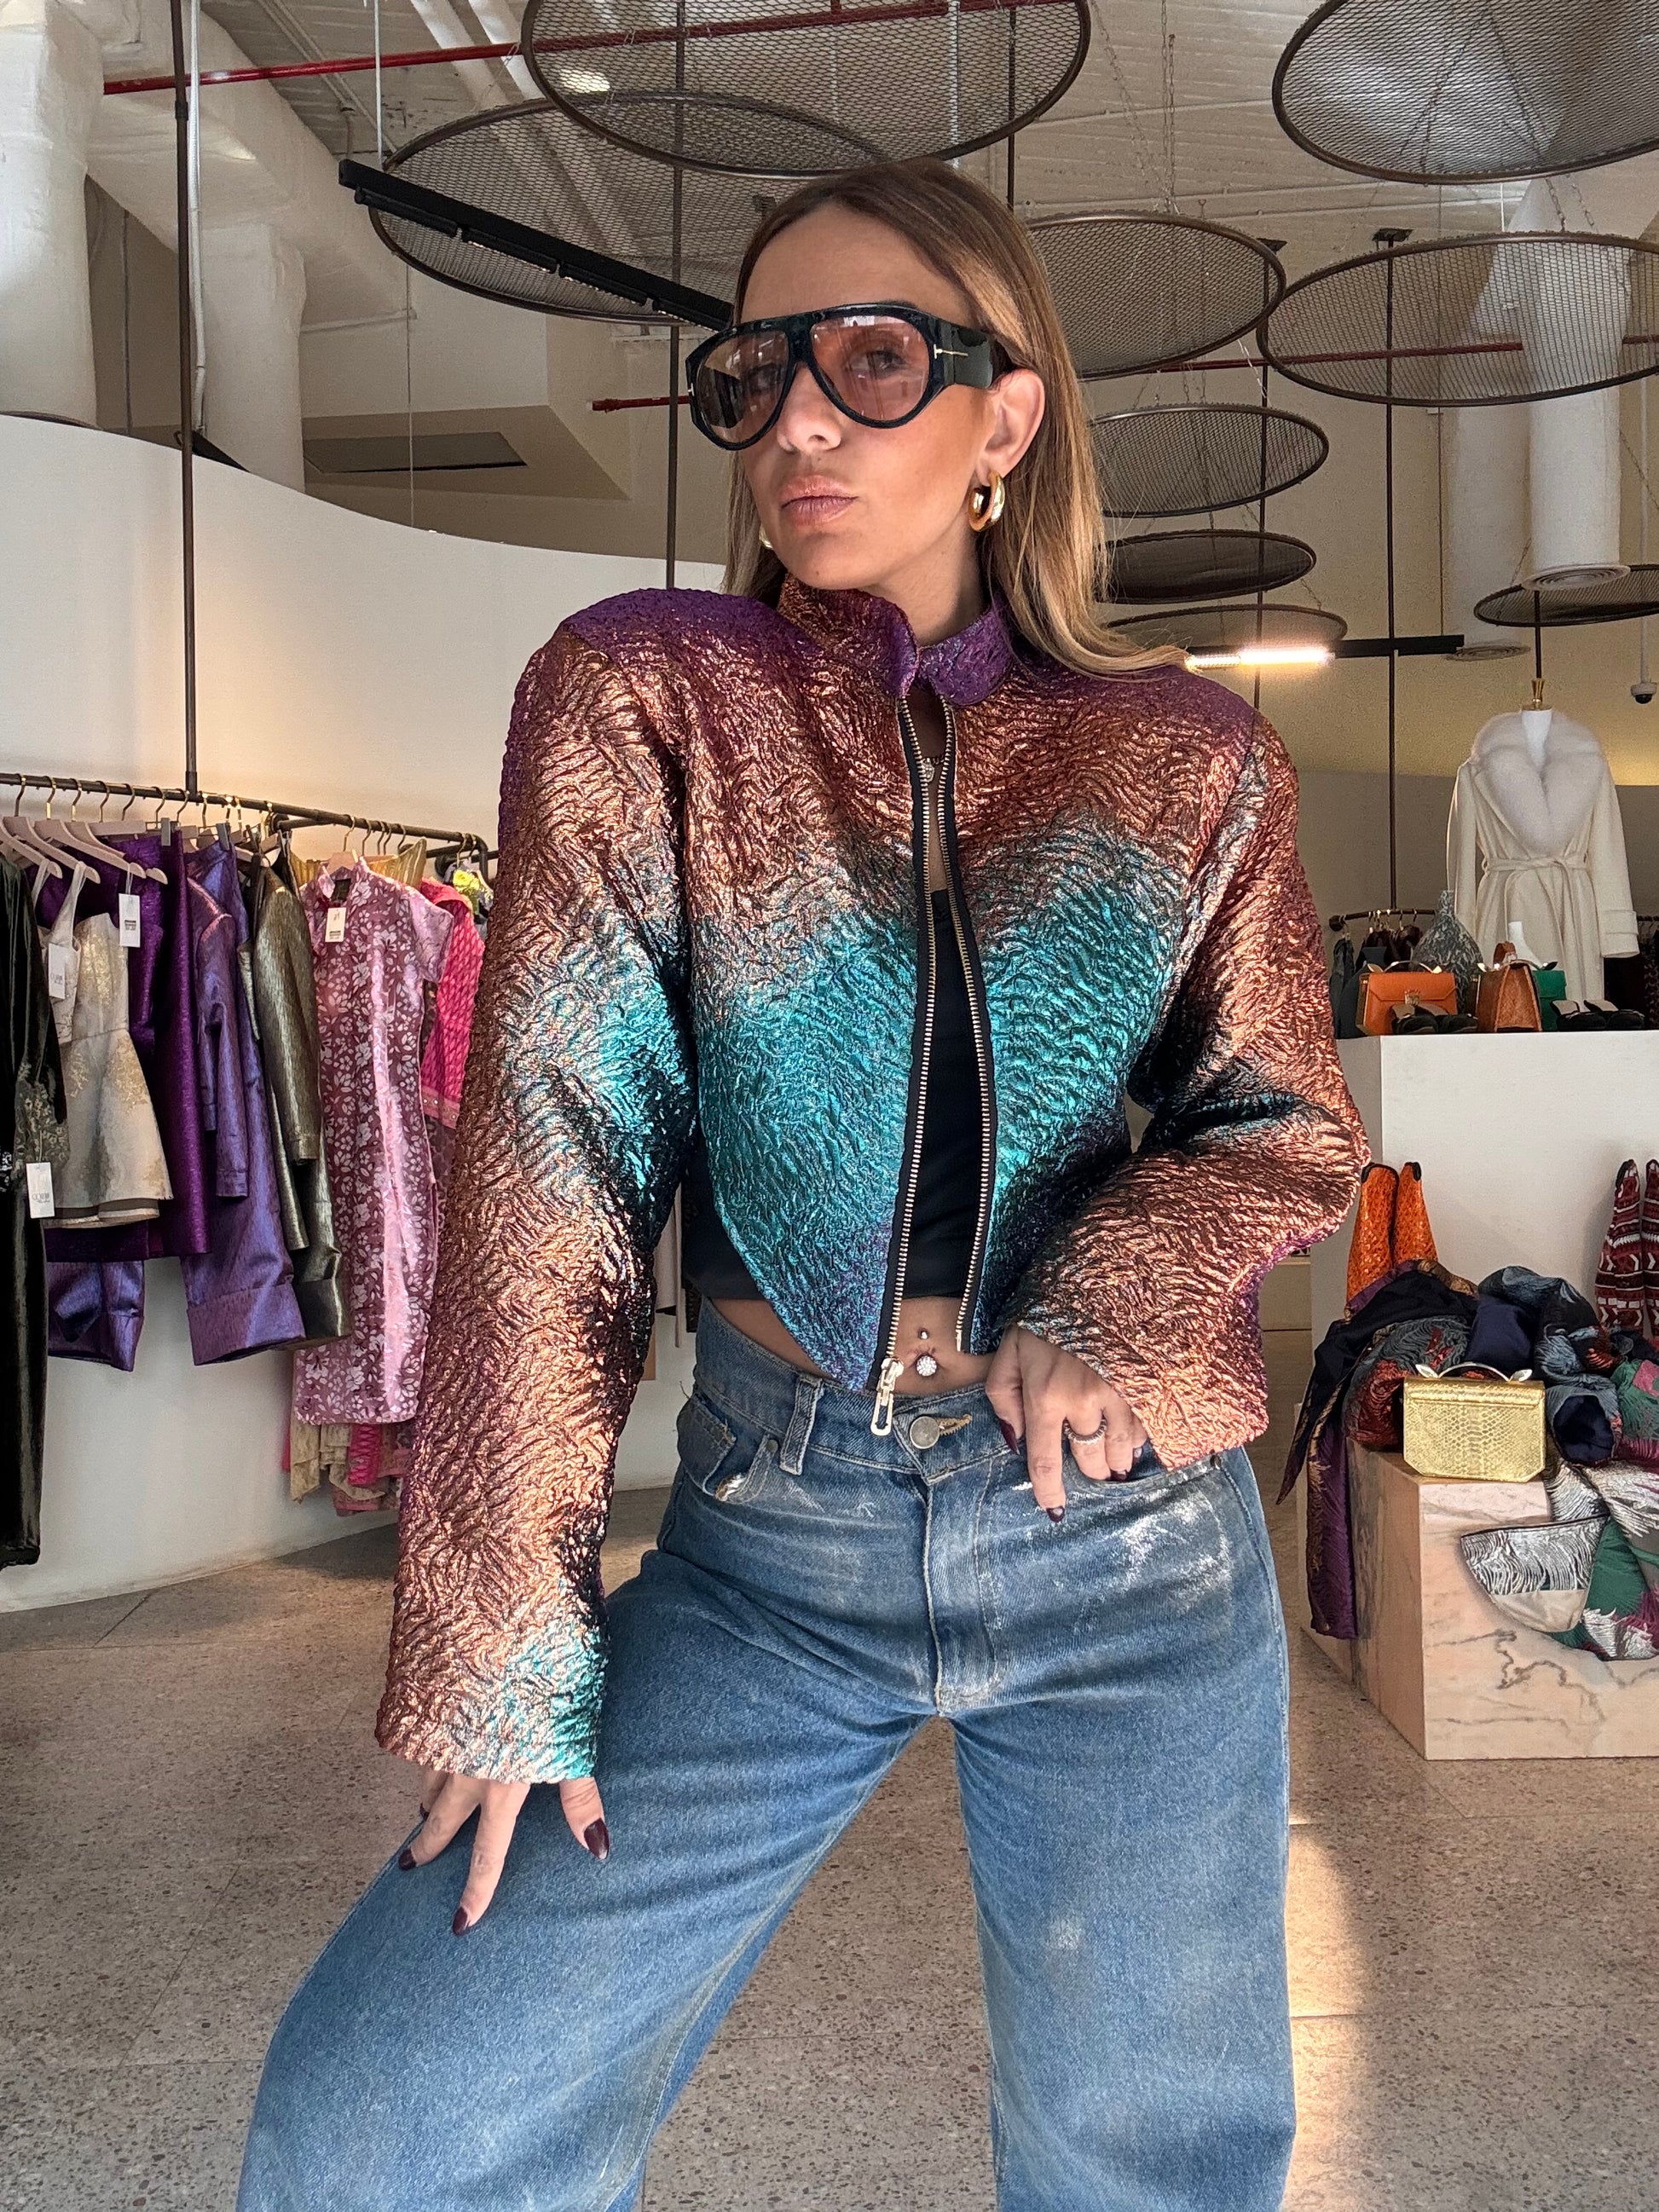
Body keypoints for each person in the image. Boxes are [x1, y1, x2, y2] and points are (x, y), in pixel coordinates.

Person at [237, 155, 1366, 2212]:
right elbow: (553, 1170)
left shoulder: (1188, 754)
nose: (798, 425)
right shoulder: (643, 693)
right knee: (385, 2123)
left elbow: (1278, 1121)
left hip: (1128, 1545)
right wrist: (506, 1646)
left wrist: (1107, 1297)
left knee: (1151, 2166)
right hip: (776, 1533)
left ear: (1006, 416)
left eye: (870, 362)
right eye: (751, 378)